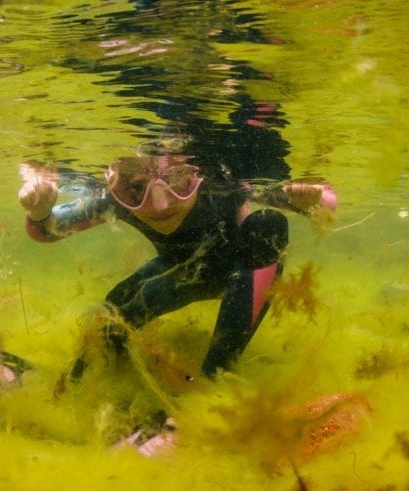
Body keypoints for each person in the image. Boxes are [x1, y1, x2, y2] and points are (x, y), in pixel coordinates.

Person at [18, 152, 337, 385]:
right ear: (118, 183)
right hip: (174, 272)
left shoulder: (221, 185)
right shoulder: (116, 200)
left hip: (238, 270)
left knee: (267, 225)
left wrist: (316, 201)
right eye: (137, 187)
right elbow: (49, 229)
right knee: (114, 310)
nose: (159, 203)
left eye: (175, 181)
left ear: (196, 173)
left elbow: (317, 200)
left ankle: (215, 380)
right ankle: (77, 387)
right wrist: (40, 212)